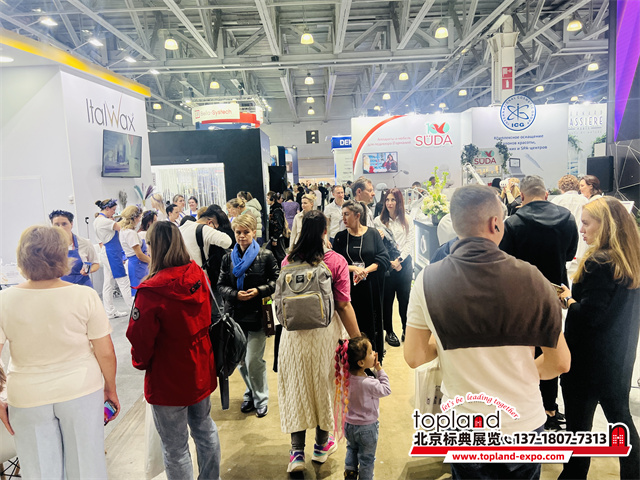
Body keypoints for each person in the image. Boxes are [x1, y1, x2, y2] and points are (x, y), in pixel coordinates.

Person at [404, 184, 571, 479]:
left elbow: (414, 356)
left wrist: (445, 342)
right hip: (523, 422)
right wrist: (523, 372)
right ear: (495, 224)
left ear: (456, 225)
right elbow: (560, 363)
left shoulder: (427, 280)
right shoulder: (533, 279)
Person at [0, 226, 119, 479]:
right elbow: (106, 351)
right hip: (81, 388)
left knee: (40, 471)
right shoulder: (84, 295)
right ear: (63, 256)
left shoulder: (4, 300)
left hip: (27, 394)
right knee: (87, 466)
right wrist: (110, 388)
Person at [126, 222, 221, 480]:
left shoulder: (151, 291)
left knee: (175, 446)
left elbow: (140, 338)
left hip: (167, 375)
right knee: (205, 429)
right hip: (200, 365)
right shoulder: (197, 273)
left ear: (154, 247)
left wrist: (140, 362)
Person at [557, 197, 640, 480]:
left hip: (586, 359)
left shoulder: (598, 262)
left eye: (586, 223)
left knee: (578, 430)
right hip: (618, 357)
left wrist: (568, 300)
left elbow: (589, 316)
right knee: (622, 422)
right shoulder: (629, 260)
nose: (581, 230)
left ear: (606, 226)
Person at [277, 210, 361, 473]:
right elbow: (343, 305)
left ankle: (296, 453)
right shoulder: (335, 261)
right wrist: (358, 340)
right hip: (326, 336)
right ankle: (321, 446)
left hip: (293, 338)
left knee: (298, 389)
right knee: (326, 388)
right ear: (325, 231)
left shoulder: (288, 260)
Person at [499, 175, 578, 430]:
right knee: (551, 348)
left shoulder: (513, 223)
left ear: (521, 196)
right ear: (546, 195)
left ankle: (527, 404)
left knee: (524, 351)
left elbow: (505, 262)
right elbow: (570, 254)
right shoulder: (567, 217)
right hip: (555, 294)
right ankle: (550, 408)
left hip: (521, 296)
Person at [218, 214, 279, 418]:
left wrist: (259, 291)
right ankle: (251, 393)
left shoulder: (266, 255)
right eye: (238, 232)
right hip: (235, 316)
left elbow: (276, 281)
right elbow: (221, 285)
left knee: (253, 360)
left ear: (254, 232)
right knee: (241, 361)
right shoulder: (227, 258)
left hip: (258, 316)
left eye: (246, 232)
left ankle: (261, 398)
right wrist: (235, 294)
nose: (242, 236)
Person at [333, 201, 389, 362]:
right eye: (342, 214)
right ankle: (352, 360)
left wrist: (366, 270)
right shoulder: (340, 237)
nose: (343, 218)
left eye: (347, 214)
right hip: (348, 289)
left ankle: (373, 359)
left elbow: (383, 258)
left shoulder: (373, 234)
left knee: (372, 323)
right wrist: (353, 268)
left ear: (358, 215)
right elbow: (335, 262)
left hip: (370, 288)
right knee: (351, 324)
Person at [335, 336, 391, 480]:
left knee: (351, 449)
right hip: (367, 428)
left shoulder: (345, 379)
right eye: (371, 352)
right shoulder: (369, 383)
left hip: (349, 425)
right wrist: (379, 369)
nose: (374, 354)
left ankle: (350, 473)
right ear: (361, 362)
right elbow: (386, 389)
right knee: (367, 459)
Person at [374, 189, 415, 346]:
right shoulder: (378, 221)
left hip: (404, 264)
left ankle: (406, 329)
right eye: (387, 200)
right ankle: (389, 332)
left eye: (393, 200)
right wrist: (390, 261)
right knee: (387, 300)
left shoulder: (407, 220)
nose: (390, 203)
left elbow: (410, 242)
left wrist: (399, 260)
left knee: (405, 299)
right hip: (387, 265)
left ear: (399, 202)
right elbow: (378, 245)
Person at [94, 198, 133, 317]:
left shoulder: (98, 220)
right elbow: (121, 227)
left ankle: (110, 311)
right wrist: (129, 216)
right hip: (111, 253)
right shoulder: (104, 221)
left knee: (108, 283)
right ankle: (134, 309)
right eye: (113, 210)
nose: (114, 213)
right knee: (123, 281)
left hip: (109, 251)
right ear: (107, 208)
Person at [179, 205, 233, 281]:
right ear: (210, 222)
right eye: (215, 227)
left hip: (183, 275)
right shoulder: (204, 228)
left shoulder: (180, 229)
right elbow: (227, 242)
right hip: (199, 276)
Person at [49, 209, 99, 287]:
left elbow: (95, 264)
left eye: (64, 224)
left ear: (71, 224)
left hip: (82, 285)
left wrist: (88, 270)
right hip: (60, 286)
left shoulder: (85, 243)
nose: (61, 227)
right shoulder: (49, 246)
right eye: (57, 225)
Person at [551, 174, 589, 277]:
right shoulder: (585, 201)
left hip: (562, 242)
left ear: (561, 187)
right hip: (582, 240)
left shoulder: (556, 200)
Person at [119, 206, 151, 296]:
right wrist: (152, 262)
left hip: (137, 264)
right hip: (138, 264)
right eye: (140, 217)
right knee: (140, 291)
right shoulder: (130, 233)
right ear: (134, 218)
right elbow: (139, 255)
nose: (140, 219)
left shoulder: (124, 231)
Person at [266, 192, 287, 266]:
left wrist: (275, 238)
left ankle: (283, 269)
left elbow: (278, 226)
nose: (266, 199)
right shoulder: (273, 209)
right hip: (275, 237)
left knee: (280, 256)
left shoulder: (277, 210)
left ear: (273, 199)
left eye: (268, 198)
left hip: (277, 238)